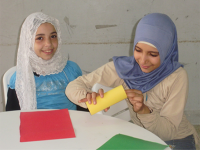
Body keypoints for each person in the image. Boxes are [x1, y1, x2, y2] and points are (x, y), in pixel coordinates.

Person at [65, 13, 199, 149]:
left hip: (177, 139)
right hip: (141, 137)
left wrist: (144, 111)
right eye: (138, 50)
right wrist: (88, 97)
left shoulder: (176, 76)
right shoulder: (123, 69)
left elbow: (169, 132)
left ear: (166, 51)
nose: (143, 60)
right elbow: (72, 87)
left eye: (153, 54)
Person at [6, 12, 88, 112]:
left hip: (71, 125)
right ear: (28, 42)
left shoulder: (71, 70)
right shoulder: (21, 78)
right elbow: (12, 117)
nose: (48, 44)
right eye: (40, 38)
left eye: (53, 36)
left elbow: (84, 109)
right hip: (35, 126)